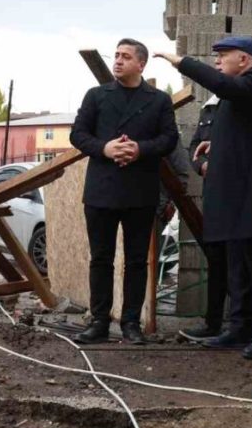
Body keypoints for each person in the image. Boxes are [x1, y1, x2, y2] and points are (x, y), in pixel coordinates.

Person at [155, 36, 252, 359]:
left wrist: (180, 61)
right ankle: (240, 328)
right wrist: (217, 146)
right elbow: (247, 132)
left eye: (223, 56)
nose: (217, 62)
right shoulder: (237, 92)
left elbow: (222, 87)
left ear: (244, 59)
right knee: (238, 266)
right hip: (236, 196)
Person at [69, 39, 179, 345]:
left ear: (140, 64)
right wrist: (105, 147)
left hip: (140, 191)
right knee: (101, 259)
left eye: (125, 56)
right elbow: (78, 134)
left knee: (136, 260)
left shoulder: (158, 100)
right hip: (101, 191)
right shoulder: (97, 96)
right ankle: (99, 321)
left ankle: (131, 322)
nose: (117, 61)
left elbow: (169, 139)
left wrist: (139, 149)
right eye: (116, 55)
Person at [176, 95, 227, 343]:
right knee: (216, 258)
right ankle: (213, 323)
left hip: (240, 192)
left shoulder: (244, 98)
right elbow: (195, 144)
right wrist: (203, 165)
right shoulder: (209, 106)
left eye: (223, 56)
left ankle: (247, 325)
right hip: (214, 192)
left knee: (242, 259)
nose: (218, 62)